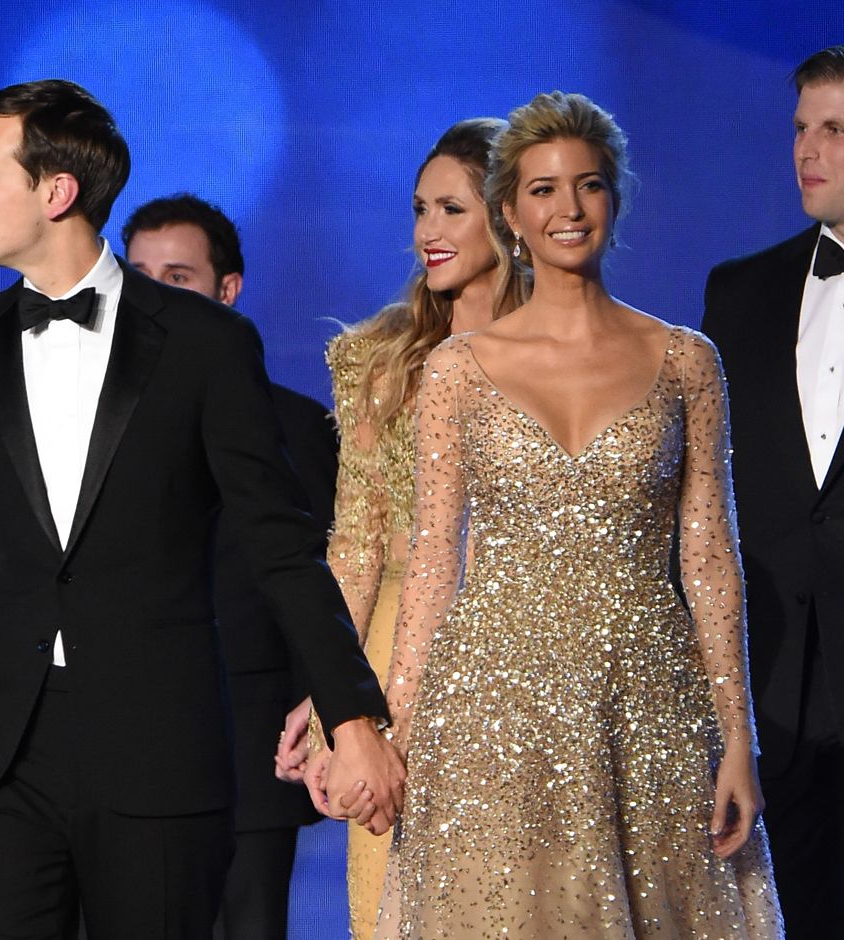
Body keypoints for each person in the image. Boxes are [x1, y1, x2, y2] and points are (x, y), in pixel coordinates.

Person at [0, 79, 402, 939]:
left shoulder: (205, 343)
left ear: (55, 191)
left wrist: (351, 714)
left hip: (157, 746)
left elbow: (280, 542)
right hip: (8, 752)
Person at [374, 91, 783, 938]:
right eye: (544, 190)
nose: (568, 209)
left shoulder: (685, 362)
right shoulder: (456, 371)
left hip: (650, 705)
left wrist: (736, 735)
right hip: (492, 708)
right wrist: (398, 731)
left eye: (588, 186)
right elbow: (435, 564)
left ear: (614, 200)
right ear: (511, 215)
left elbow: (710, 557)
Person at [278, 118, 529, 938]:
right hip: (391, 662)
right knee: (395, 900)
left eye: (451, 209)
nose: (428, 230)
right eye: (421, 208)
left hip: (531, 658)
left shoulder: (575, 355)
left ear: (508, 215)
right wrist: (328, 704)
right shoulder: (380, 362)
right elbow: (352, 545)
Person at [121, 193, 336, 940]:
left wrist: (320, 707)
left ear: (226, 289)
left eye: (175, 277)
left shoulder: (297, 426)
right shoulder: (82, 417)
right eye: (138, 276)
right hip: (114, 741)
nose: (151, 296)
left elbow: (319, 574)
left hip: (248, 746)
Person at [702, 44, 844, 939]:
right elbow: (704, 504)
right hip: (775, 713)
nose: (808, 148)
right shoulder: (740, 291)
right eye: (800, 128)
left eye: (835, 129)